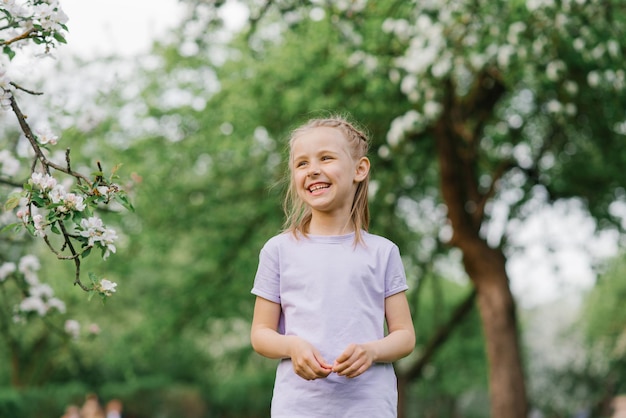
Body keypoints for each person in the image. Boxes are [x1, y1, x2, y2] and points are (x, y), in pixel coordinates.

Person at [251, 115, 416, 417]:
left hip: (368, 406)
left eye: (325, 158)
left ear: (359, 169)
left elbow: (405, 335)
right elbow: (261, 333)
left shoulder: (383, 252)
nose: (313, 170)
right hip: (298, 406)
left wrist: (373, 351)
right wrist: (293, 347)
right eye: (301, 164)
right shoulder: (279, 250)